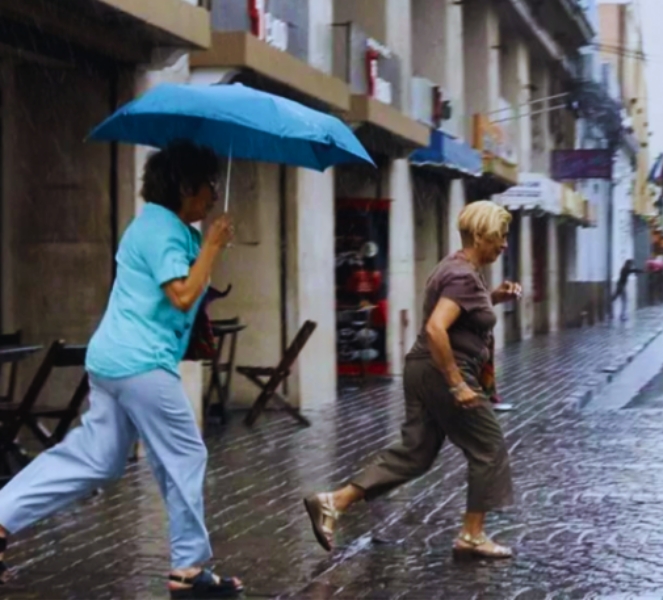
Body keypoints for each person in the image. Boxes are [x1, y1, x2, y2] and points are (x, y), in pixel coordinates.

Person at [0, 140, 243, 598]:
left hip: (116, 360)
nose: (215, 194)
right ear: (187, 186)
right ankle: (188, 571)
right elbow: (182, 295)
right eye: (210, 184)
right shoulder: (159, 229)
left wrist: (208, 246)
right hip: (140, 363)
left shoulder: (164, 228)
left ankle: (1, 515)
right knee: (185, 455)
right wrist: (212, 246)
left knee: (98, 458)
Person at [303, 201, 521, 560]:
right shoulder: (463, 276)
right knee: (488, 446)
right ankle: (472, 534)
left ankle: (333, 502)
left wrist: (493, 297)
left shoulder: (458, 269)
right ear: (481, 234)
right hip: (442, 371)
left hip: (423, 369)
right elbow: (437, 328)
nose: (505, 244)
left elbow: (459, 318)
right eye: (501, 236)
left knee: (415, 454)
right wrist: (456, 383)